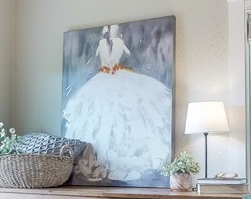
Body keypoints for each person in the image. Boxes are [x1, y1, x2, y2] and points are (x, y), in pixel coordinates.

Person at [63, 24, 171, 182]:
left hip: (115, 75)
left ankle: (121, 159)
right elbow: (107, 60)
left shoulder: (117, 43)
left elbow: (113, 60)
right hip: (105, 77)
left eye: (112, 30)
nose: (110, 32)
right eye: (109, 30)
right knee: (101, 116)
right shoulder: (105, 44)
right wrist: (107, 58)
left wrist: (108, 58)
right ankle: (102, 161)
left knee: (123, 113)